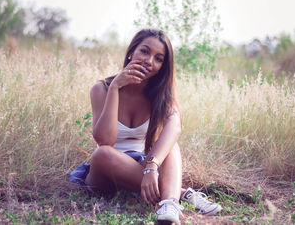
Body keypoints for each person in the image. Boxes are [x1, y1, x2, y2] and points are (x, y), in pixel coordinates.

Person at [70, 28, 222, 224]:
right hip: (105, 173)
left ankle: (168, 206)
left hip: (143, 167)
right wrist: (116, 87)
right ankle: (179, 194)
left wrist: (151, 166)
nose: (149, 61)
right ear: (132, 51)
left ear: (163, 66)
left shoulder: (160, 95)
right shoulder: (102, 88)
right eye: (144, 51)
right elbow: (105, 140)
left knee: (171, 146)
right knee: (102, 153)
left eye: (158, 58)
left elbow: (175, 127)